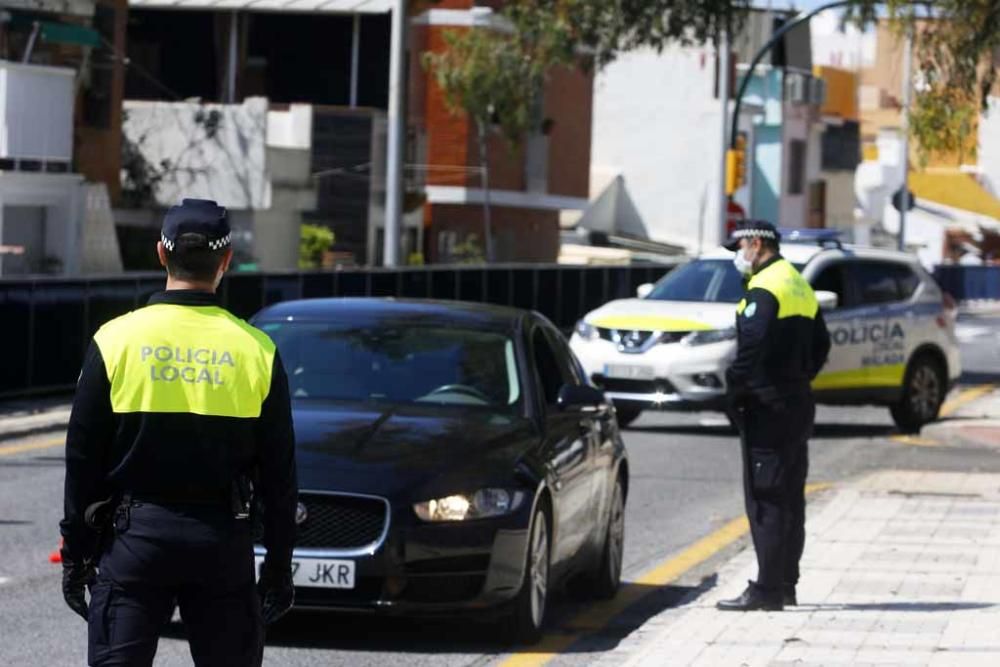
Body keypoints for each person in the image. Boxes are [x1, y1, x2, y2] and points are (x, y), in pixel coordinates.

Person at [60, 199, 298, 665]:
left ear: (161, 254)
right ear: (225, 262)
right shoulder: (257, 351)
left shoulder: (115, 340)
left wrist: (77, 554)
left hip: (134, 542)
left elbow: (82, 459)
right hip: (222, 544)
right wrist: (277, 568)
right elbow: (279, 476)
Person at [717, 220, 831, 612]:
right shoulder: (797, 282)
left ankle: (766, 590)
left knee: (765, 497)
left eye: (738, 247)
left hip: (767, 406)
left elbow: (751, 346)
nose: (737, 255)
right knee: (789, 495)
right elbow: (822, 344)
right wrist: (798, 379)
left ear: (754, 243)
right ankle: (785, 584)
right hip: (797, 400)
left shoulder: (765, 288)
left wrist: (734, 390)